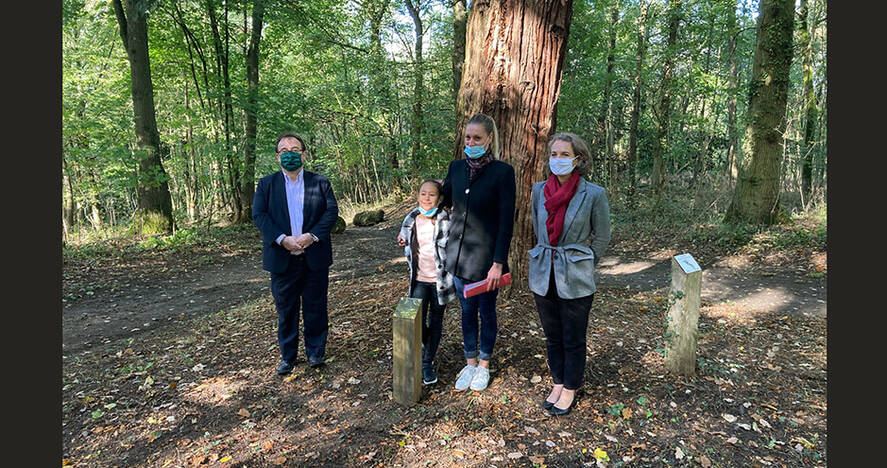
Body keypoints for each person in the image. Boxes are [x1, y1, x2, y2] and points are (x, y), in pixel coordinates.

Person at [528, 132, 611, 416]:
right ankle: (558, 382)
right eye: (554, 154)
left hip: (575, 274)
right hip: (543, 271)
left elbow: (602, 236)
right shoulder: (539, 190)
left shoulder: (594, 194)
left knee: (573, 335)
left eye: (565, 155)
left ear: (578, 159)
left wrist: (585, 262)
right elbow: (537, 228)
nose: (558, 160)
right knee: (552, 335)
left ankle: (571, 387)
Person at [253, 131, 339, 375]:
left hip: (315, 257)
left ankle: (315, 353)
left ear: (303, 154)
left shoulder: (320, 183)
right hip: (282, 259)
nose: (289, 154)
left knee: (316, 307)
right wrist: (282, 240)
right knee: (286, 310)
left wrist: (310, 236)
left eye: (294, 150)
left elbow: (331, 212)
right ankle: (288, 357)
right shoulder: (266, 185)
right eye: (284, 151)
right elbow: (259, 215)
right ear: (277, 157)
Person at [440, 113, 516, 392]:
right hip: (458, 257)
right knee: (466, 311)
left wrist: (498, 263)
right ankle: (470, 363)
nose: (471, 142)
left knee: (486, 311)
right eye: (468, 137)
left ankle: (484, 364)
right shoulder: (456, 167)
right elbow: (443, 199)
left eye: (477, 138)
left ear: (489, 139)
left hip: (486, 262)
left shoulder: (503, 172)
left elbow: (506, 222)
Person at [396, 179, 457, 385]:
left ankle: (427, 362)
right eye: (423, 194)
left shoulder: (446, 219)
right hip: (419, 279)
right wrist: (403, 240)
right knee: (418, 321)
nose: (427, 198)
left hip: (441, 281)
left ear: (439, 198)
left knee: (436, 321)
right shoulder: (411, 218)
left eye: (432, 194)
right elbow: (404, 238)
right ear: (417, 196)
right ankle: (426, 346)